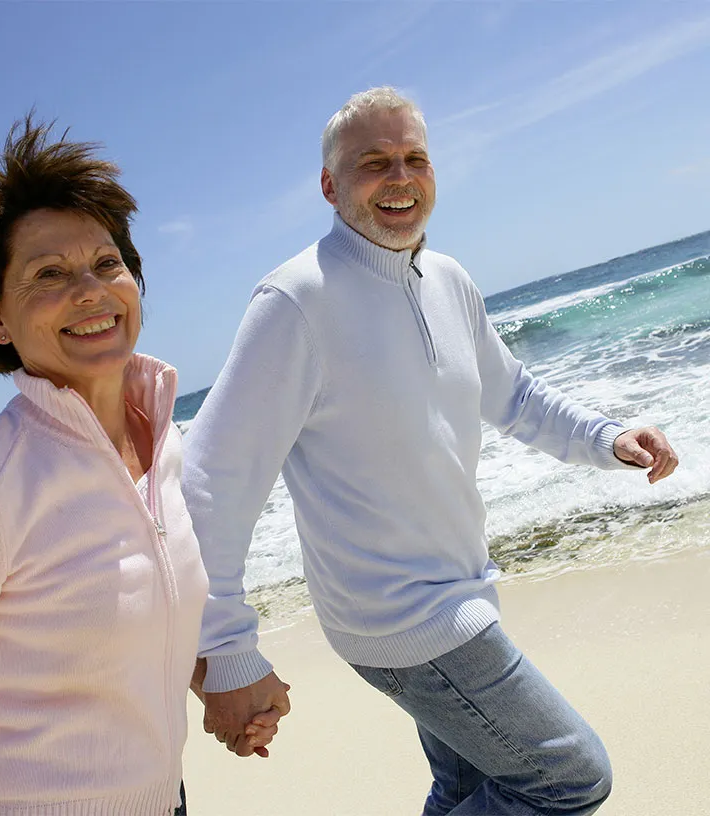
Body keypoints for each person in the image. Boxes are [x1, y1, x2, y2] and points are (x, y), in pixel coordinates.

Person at [181, 88, 679, 814]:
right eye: (374, 162)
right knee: (571, 778)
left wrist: (606, 438)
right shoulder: (294, 301)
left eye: (415, 158)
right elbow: (215, 484)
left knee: (471, 786)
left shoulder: (448, 278)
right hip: (402, 624)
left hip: (460, 593)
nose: (400, 177)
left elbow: (511, 394)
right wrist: (226, 654)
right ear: (330, 185)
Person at [0, 117, 277, 816]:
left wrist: (222, 672)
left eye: (107, 263)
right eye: (49, 274)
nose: (93, 290)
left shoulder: (164, 446)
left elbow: (130, 612)